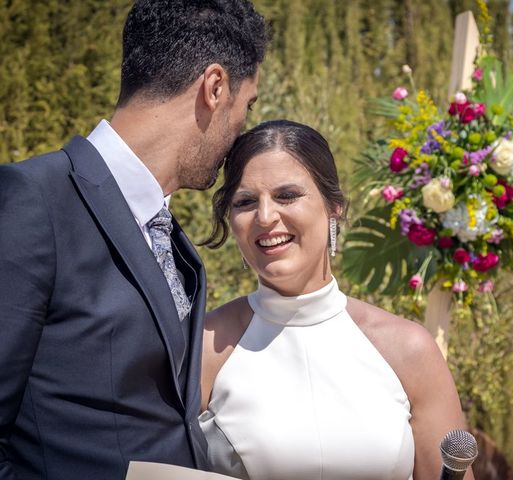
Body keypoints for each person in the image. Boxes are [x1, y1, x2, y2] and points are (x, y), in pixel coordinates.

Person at [0, 1, 267, 478]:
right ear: (214, 87)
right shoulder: (33, 200)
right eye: (246, 107)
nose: (240, 130)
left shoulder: (173, 242)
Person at [199, 120, 474, 480]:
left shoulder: (408, 350)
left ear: (335, 207)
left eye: (287, 195)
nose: (265, 217)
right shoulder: (203, 348)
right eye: (246, 202)